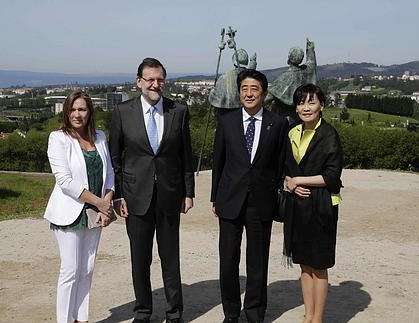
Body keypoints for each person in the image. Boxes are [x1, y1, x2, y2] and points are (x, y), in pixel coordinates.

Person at [109, 57, 195, 323]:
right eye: (150, 80)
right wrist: (119, 195)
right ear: (139, 82)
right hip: (135, 198)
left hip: (170, 195)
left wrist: (188, 192)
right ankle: (143, 312)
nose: (155, 85)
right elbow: (115, 158)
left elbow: (186, 155)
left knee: (170, 258)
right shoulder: (123, 112)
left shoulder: (178, 111)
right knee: (140, 258)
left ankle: (174, 312)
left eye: (160, 80)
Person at [211, 69, 289, 323]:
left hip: (261, 202)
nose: (248, 93)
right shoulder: (227, 121)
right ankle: (231, 313)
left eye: (254, 88)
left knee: (258, 263)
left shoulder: (277, 124)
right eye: (244, 88)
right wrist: (215, 198)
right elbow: (219, 162)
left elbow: (280, 164)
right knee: (228, 262)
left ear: (264, 94)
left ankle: (255, 314)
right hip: (229, 201)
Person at [44, 90, 115, 323]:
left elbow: (110, 174)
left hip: (95, 213)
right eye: (73, 109)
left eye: (82, 109)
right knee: (71, 270)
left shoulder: (101, 137)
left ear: (89, 112)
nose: (77, 114)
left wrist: (108, 199)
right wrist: (100, 203)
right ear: (66, 112)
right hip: (70, 212)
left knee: (87, 268)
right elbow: (64, 181)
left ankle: (81, 318)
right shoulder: (58, 138)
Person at [283, 84, 343, 323]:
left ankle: (317, 319)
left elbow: (331, 176)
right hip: (298, 205)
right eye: (301, 103)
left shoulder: (329, 134)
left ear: (322, 105)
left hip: (322, 206)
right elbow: (285, 168)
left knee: (319, 265)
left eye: (311, 102)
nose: (305, 107)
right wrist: (290, 182)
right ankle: (308, 315)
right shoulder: (292, 132)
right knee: (304, 265)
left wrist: (298, 179)